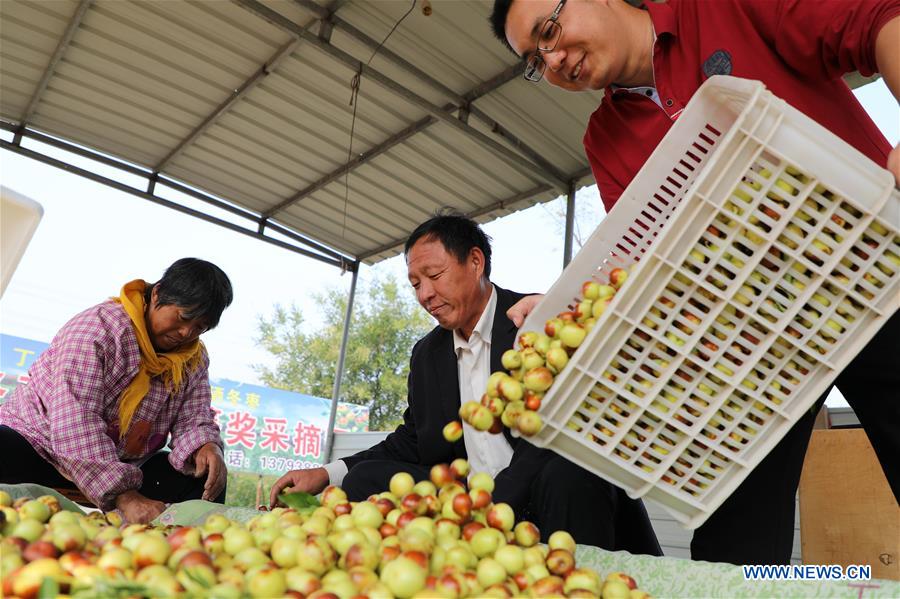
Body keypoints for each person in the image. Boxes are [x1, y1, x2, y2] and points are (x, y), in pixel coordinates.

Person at [490, 0, 900, 565]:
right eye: (536, 60)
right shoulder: (606, 137)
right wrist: (574, 310)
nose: (555, 59)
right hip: (754, 348)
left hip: (875, 270)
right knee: (732, 552)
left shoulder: (719, 8)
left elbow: (879, 23)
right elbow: (648, 261)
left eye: (550, 31)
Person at [271, 213, 661, 553]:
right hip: (468, 495)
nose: (425, 294)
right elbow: (412, 439)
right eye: (415, 284)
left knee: (567, 470)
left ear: (475, 262)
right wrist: (328, 473)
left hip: (541, 491)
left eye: (435, 276)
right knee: (364, 478)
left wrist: (491, 507)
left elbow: (558, 432)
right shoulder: (427, 354)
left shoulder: (537, 318)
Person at [0, 258, 234, 524]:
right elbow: (75, 420)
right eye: (183, 318)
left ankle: (185, 552)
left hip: (123, 464)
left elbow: (193, 417)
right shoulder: (97, 329)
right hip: (41, 445)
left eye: (200, 327)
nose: (186, 333)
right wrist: (126, 496)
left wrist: (205, 446)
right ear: (157, 293)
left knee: (206, 474)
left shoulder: (194, 358)